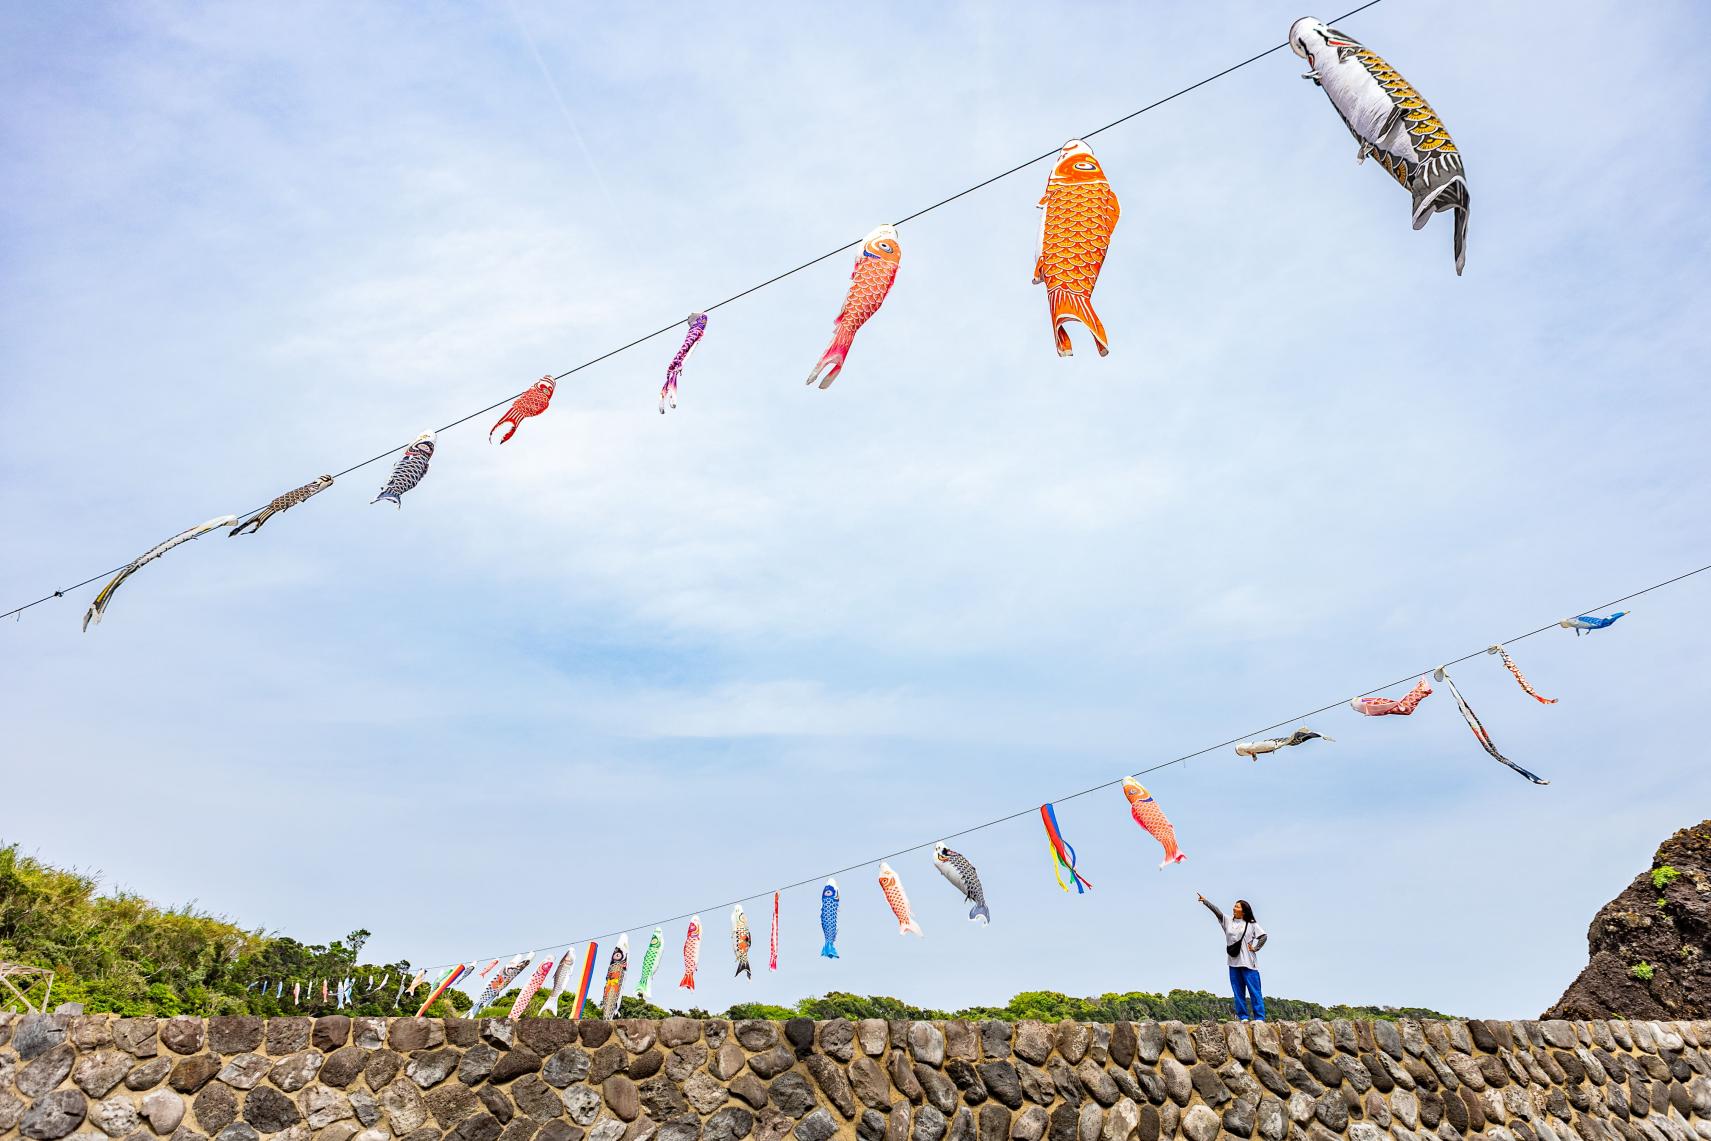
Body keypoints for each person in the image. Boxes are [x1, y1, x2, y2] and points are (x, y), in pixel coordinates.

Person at [1198, 893, 1267, 1021]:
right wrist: (1205, 901)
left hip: (1248, 963)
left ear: (1244, 911)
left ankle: (1259, 1017)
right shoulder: (1228, 921)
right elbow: (1217, 912)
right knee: (1238, 993)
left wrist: (1256, 948)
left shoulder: (1251, 924)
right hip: (1233, 963)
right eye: (1234, 906)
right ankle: (1243, 1017)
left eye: (1237, 907)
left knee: (1254, 992)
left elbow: (1263, 936)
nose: (1234, 908)